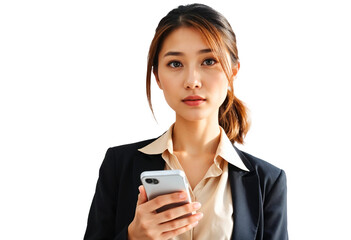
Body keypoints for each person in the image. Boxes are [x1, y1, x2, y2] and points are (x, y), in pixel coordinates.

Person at [84, 3, 288, 240]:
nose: (192, 81)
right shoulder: (119, 165)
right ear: (158, 76)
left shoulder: (268, 181)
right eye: (175, 64)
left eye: (209, 61)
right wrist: (133, 236)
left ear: (233, 71)